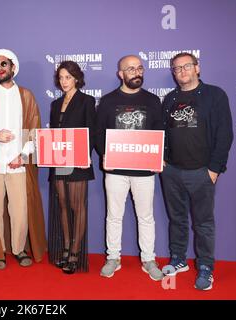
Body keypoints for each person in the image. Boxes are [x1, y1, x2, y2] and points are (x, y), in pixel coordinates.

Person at [161, 52, 233, 290]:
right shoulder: (170, 99)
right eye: (177, 68)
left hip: (202, 172)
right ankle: (179, 258)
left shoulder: (215, 95)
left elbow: (225, 134)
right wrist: (162, 161)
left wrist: (214, 169)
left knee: (203, 223)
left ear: (197, 68)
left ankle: (205, 267)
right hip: (171, 171)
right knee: (177, 219)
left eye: (186, 66)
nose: (182, 71)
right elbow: (162, 134)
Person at [0, 49, 47, 269]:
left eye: (4, 64)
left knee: (20, 210)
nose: (0, 68)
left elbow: (34, 129)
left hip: (18, 163)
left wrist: (23, 156)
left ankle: (19, 248)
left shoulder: (26, 95)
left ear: (13, 67)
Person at [94, 55, 164, 281]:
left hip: (144, 171)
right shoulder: (107, 101)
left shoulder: (153, 101)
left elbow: (160, 132)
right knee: (114, 216)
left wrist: (159, 155)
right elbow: (98, 132)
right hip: (115, 171)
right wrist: (104, 154)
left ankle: (148, 259)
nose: (136, 73)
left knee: (146, 217)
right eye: (131, 69)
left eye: (140, 68)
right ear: (120, 74)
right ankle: (113, 257)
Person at [48, 61, 96, 274]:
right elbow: (53, 135)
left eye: (68, 77)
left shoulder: (87, 101)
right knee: (63, 206)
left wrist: (86, 155)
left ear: (76, 78)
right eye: (61, 77)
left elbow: (91, 132)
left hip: (78, 161)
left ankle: (75, 252)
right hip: (58, 160)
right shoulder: (55, 104)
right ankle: (66, 248)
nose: (64, 81)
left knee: (78, 207)